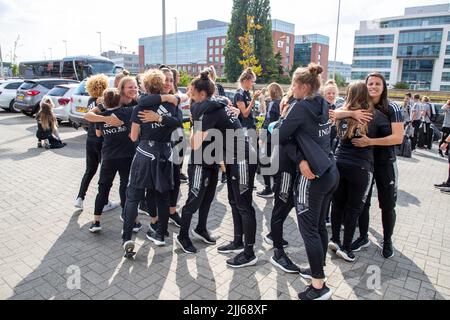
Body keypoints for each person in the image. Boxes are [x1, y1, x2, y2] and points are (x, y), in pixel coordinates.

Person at [276, 64, 339, 300]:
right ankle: (317, 270)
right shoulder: (322, 102)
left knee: (309, 230)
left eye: (293, 85)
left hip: (312, 176)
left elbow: (278, 135)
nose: (291, 89)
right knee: (320, 226)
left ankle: (318, 286)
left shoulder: (300, 107)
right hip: (329, 170)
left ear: (303, 86)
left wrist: (300, 159)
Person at [329, 82, 391, 263]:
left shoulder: (341, 113)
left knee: (338, 204)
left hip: (339, 163)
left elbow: (332, 117)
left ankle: (334, 239)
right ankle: (346, 247)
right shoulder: (376, 116)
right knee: (354, 208)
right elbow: (395, 139)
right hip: (361, 168)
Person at [121, 69, 180, 257]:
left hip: (145, 153)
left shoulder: (140, 108)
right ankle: (160, 234)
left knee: (133, 196)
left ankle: (127, 237)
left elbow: (133, 136)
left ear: (145, 86)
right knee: (162, 196)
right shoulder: (172, 105)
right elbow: (178, 123)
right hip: (164, 153)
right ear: (162, 83)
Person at [348, 73, 404, 259]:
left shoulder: (393, 107)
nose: (373, 86)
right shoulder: (360, 105)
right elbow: (335, 112)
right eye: (370, 83)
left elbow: (398, 137)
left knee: (387, 204)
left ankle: (387, 241)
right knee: (363, 203)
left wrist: (370, 141)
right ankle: (363, 236)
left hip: (385, 163)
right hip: (365, 163)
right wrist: (350, 113)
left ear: (384, 86)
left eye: (377, 84)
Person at [175, 71, 226, 254]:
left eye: (191, 91)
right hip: (198, 162)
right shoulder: (199, 108)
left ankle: (201, 229)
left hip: (212, 160)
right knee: (194, 199)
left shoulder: (208, 107)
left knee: (208, 198)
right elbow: (194, 143)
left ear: (202, 94)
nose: (189, 94)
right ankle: (182, 235)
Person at [89, 88, 137, 234]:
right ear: (119, 100)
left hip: (109, 157)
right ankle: (130, 221)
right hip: (127, 155)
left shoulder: (102, 116)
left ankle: (96, 221)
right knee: (125, 186)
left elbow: (98, 134)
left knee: (103, 188)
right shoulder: (127, 112)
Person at [74, 74, 120, 212]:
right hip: (102, 139)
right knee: (105, 172)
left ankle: (80, 198)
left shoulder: (90, 101)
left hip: (90, 139)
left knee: (89, 170)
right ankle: (104, 202)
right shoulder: (105, 101)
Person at [257, 83, 283, 199]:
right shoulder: (281, 103)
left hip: (269, 137)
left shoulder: (273, 104)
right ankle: (274, 187)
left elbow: (268, 122)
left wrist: (261, 137)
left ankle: (268, 188)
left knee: (264, 160)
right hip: (276, 136)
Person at [234, 68, 261, 134]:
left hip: (250, 127)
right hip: (243, 128)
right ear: (245, 80)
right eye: (252, 81)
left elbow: (250, 113)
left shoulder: (247, 93)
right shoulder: (239, 94)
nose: (253, 84)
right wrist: (254, 99)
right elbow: (245, 114)